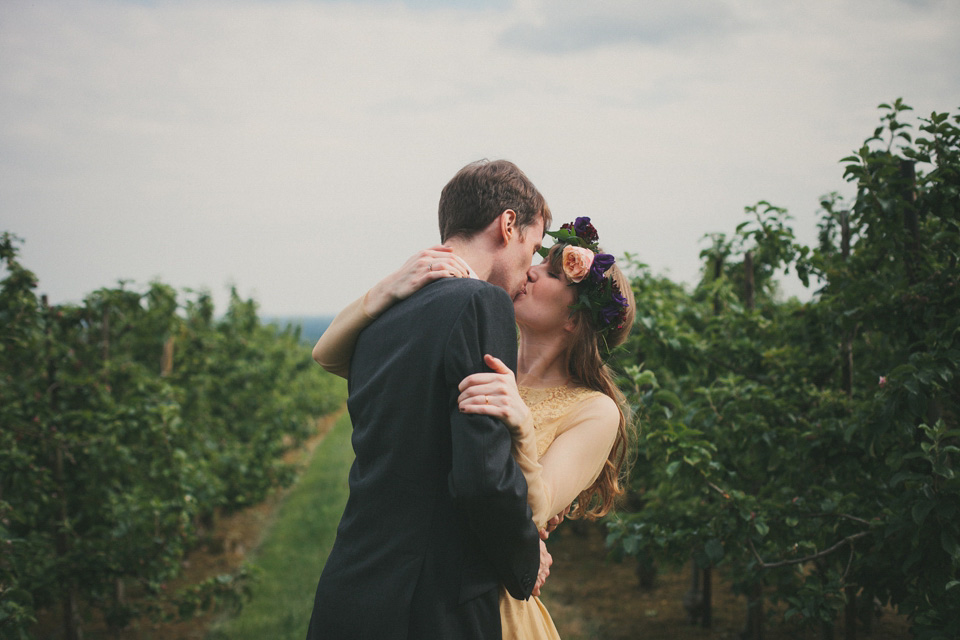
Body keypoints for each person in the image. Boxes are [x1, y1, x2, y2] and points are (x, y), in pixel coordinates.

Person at [313, 215, 636, 639]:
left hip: (487, 605)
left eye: (554, 273)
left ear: (575, 319)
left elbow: (537, 511)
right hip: (418, 583)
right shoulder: (476, 350)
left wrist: (520, 428)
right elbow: (332, 357)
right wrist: (387, 289)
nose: (532, 270)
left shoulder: (595, 411)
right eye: (539, 260)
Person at [305, 159, 554, 640]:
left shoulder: (378, 319)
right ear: (507, 225)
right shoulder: (482, 302)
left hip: (352, 584)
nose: (531, 267)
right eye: (534, 244)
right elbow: (481, 473)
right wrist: (525, 560)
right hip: (431, 606)